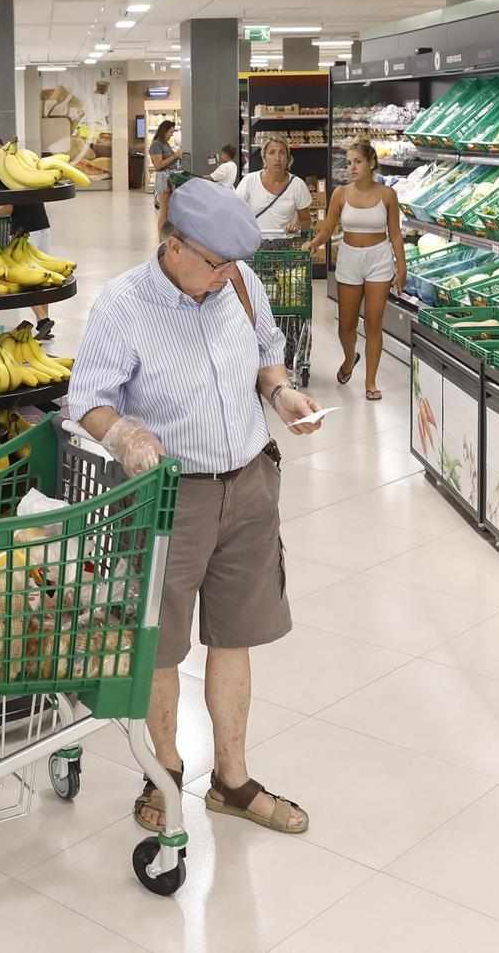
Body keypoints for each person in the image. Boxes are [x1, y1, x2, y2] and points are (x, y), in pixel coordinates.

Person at [68, 178, 322, 837]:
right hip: (171, 497)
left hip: (250, 482)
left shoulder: (238, 283)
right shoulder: (123, 305)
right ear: (171, 243)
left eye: (229, 265)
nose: (222, 276)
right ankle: (166, 770)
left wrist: (281, 391)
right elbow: (87, 398)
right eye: (211, 263)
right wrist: (123, 433)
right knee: (160, 644)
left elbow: (268, 350)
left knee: (235, 633)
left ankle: (232, 780)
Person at [308, 140, 407, 401]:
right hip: (349, 258)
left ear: (372, 163)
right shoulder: (340, 194)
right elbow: (328, 229)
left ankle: (370, 382)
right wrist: (314, 243)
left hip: (379, 259)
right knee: (347, 325)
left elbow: (395, 234)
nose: (351, 167)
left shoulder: (387, 195)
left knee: (374, 324)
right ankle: (350, 357)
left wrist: (402, 267)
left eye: (357, 161)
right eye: (349, 162)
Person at [0, 132, 54, 339]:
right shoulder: (18, 168)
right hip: (42, 225)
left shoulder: (6, 173)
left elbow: (9, 207)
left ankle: (42, 319)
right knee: (42, 277)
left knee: (24, 276)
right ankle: (44, 324)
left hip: (25, 232)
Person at [235, 138, 313, 237]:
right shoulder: (250, 181)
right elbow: (235, 212)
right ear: (264, 158)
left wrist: (297, 226)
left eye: (282, 153)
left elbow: (306, 220)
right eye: (272, 152)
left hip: (285, 247)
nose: (277, 158)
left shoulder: (297, 185)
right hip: (255, 245)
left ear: (287, 158)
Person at [147, 118, 186, 207]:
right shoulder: (156, 144)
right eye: (170, 132)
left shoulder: (165, 143)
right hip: (163, 179)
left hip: (168, 179)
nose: (171, 135)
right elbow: (158, 165)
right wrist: (175, 156)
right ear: (164, 131)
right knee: (164, 211)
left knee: (170, 211)